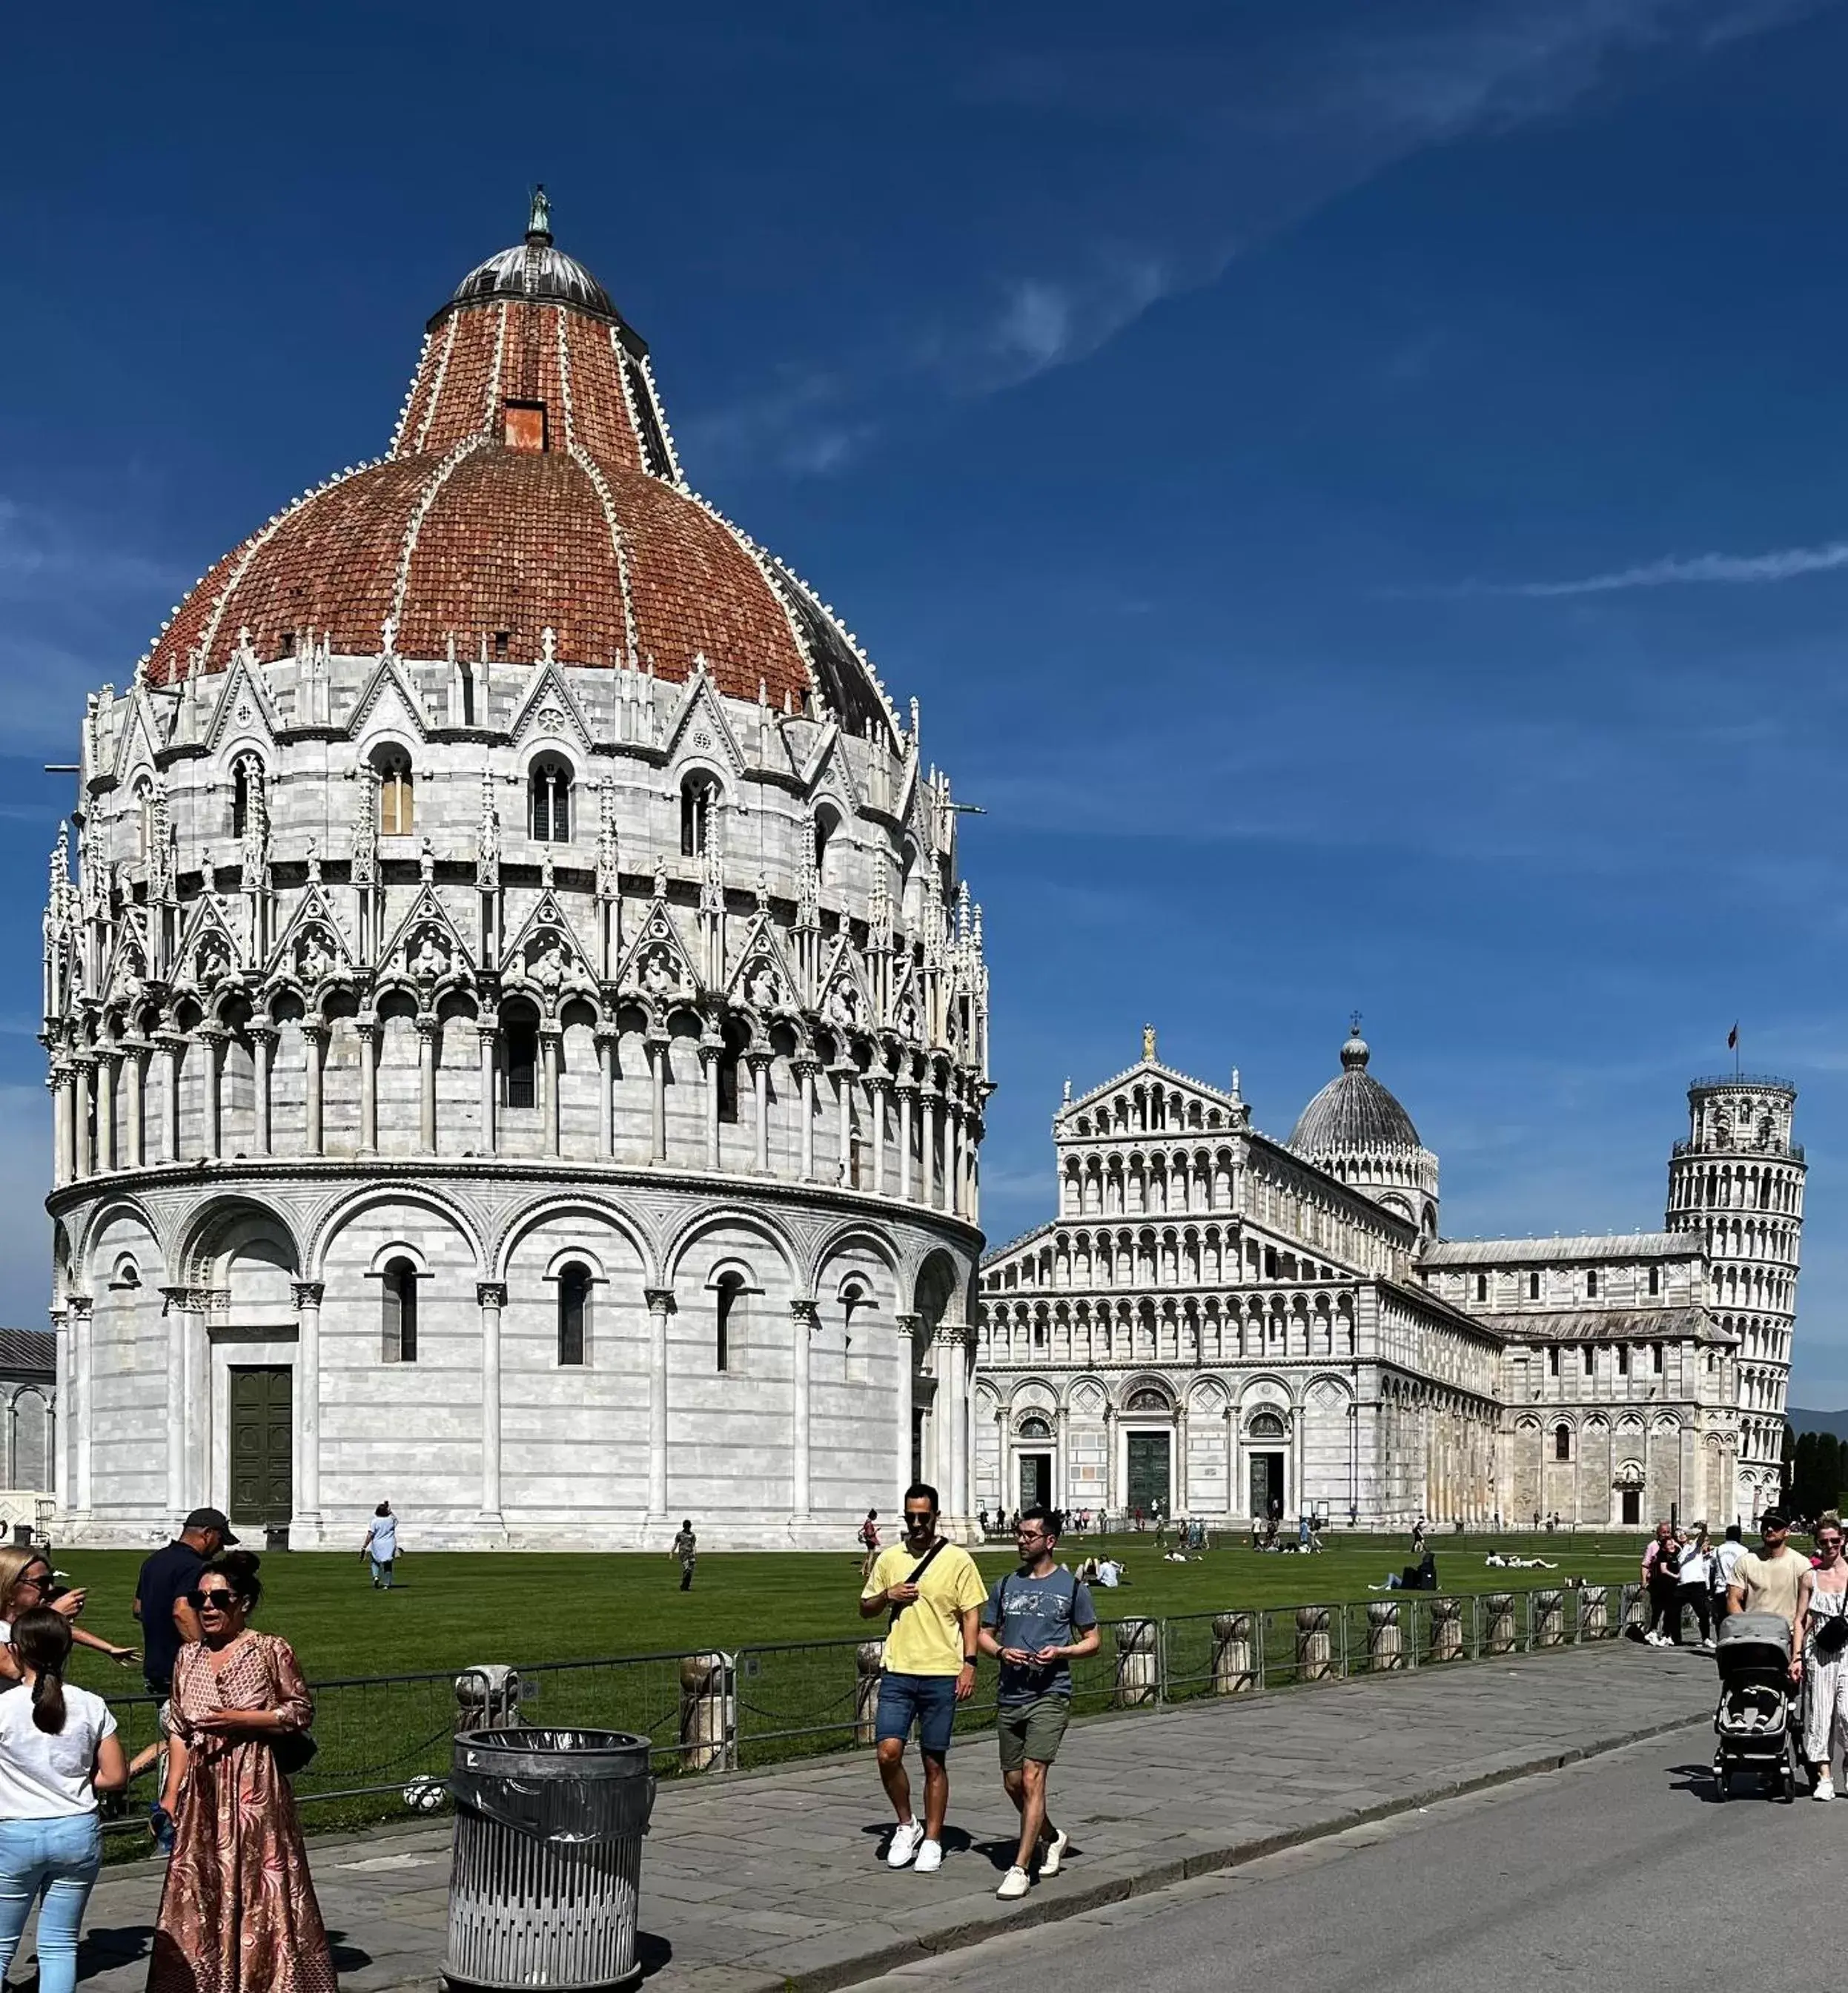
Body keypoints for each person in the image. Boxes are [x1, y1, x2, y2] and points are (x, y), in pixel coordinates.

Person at [148, 1551, 336, 1993]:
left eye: (219, 1598)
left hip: (255, 1785)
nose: (208, 1607)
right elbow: (178, 1729)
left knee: (260, 1882)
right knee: (200, 1884)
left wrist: (243, 1721)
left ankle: (265, 1978)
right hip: (203, 1792)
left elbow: (298, 1712)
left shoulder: (271, 1649)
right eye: (200, 1598)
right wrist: (171, 1795)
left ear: (244, 1603)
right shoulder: (187, 1657)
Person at [859, 1482, 986, 1874]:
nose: (916, 1524)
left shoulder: (958, 1561)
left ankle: (933, 1838)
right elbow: (865, 1608)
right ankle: (906, 1824)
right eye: (910, 1517)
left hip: (940, 1673)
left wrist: (969, 1664)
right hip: (898, 1670)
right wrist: (888, 1596)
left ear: (935, 1516)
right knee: (888, 1753)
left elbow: (971, 1616)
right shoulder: (890, 1559)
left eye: (923, 1517)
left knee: (934, 1761)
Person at [0, 1608, 127, 1993]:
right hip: (76, 1829)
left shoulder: (4, 1707)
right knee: (59, 1944)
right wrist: (70, 1780)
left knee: (3, 1943)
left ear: (15, 1650)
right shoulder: (91, 1704)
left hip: (16, 1831)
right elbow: (115, 1776)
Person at [978, 1507, 1099, 1900]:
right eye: (1018, 1534)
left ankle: (1020, 1866)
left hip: (1050, 1693)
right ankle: (1052, 1836)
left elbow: (1093, 1640)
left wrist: (1061, 1652)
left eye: (1028, 1535)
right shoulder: (1005, 1585)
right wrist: (999, 1652)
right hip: (1010, 1692)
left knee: (1033, 1777)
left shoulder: (1072, 1588)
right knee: (1013, 1783)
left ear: (1050, 1541)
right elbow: (983, 1634)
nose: (1020, 1540)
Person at [133, 1509, 235, 1699]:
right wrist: (207, 1659)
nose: (221, 1549)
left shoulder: (153, 1561)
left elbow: (138, 1608)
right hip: (184, 1670)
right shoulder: (196, 1566)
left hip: (155, 1668)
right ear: (207, 1534)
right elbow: (182, 1611)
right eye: (221, 1541)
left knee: (171, 1726)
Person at [0, 1549, 136, 1678]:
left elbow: (72, 1631)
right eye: (42, 1582)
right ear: (9, 1588)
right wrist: (52, 1616)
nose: (51, 1588)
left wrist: (110, 1649)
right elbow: (13, 1670)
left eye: (51, 1581)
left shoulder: (25, 1623)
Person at [1795, 1519, 1848, 1799]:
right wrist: (1796, 1657)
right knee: (1820, 1714)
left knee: (1847, 1714)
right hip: (1820, 1652)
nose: (1829, 1546)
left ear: (1843, 1539)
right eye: (1824, 1542)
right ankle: (1824, 1777)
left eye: (1834, 1541)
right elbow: (1800, 1619)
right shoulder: (1809, 1577)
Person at [1729, 1510, 1809, 1638]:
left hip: (1786, 1635)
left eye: (1776, 1526)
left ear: (1787, 1532)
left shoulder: (1801, 1564)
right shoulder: (1745, 1561)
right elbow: (1733, 1599)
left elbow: (1807, 1607)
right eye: (1765, 1525)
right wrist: (1745, 1628)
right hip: (1752, 1635)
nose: (1770, 1529)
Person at [1641, 1521, 1681, 1646]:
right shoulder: (1653, 1546)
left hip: (1670, 1584)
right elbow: (1645, 1564)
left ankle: (1666, 1634)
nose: (1666, 1535)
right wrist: (1644, 1581)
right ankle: (1652, 1632)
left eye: (1668, 1532)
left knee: (1669, 1609)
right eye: (1663, 1532)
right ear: (1658, 1533)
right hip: (1657, 1582)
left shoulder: (1673, 1545)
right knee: (1656, 1608)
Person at [1677, 1526, 1715, 1653]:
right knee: (1673, 1609)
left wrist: (1704, 1530)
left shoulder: (1693, 1546)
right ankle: (1674, 1637)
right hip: (1682, 1584)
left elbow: (1700, 1539)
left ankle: (1706, 1638)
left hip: (1697, 1583)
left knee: (1703, 1613)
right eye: (1679, 1535)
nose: (1682, 1536)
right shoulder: (1676, 1550)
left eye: (1683, 1534)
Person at [1713, 1523, 1748, 1630]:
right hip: (1737, 1589)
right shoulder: (1744, 1551)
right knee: (1737, 1619)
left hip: (1720, 1587)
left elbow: (1712, 1567)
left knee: (1721, 1620)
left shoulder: (1718, 1549)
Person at [360, 1502, 397, 1590]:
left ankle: (376, 1576)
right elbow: (396, 1520)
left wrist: (364, 1546)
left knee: (375, 1561)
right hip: (389, 1544)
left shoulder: (375, 1521)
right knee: (388, 1564)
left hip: (377, 1544)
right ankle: (386, 1584)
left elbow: (370, 1534)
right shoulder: (391, 1520)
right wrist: (390, 1511)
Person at [671, 1520, 698, 1592]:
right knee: (687, 1569)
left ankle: (686, 1585)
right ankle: (684, 1585)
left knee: (690, 1571)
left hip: (691, 1554)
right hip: (683, 1554)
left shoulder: (692, 1535)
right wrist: (672, 1552)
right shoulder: (680, 1534)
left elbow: (693, 1545)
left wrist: (695, 1552)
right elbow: (676, 1544)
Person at [860, 1510, 882, 1579]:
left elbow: (864, 1528)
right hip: (871, 1541)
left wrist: (861, 1531)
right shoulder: (870, 1524)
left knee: (868, 1555)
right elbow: (870, 1534)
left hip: (868, 1541)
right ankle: (869, 1572)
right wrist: (876, 1530)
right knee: (871, 1557)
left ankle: (863, 1569)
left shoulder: (867, 1522)